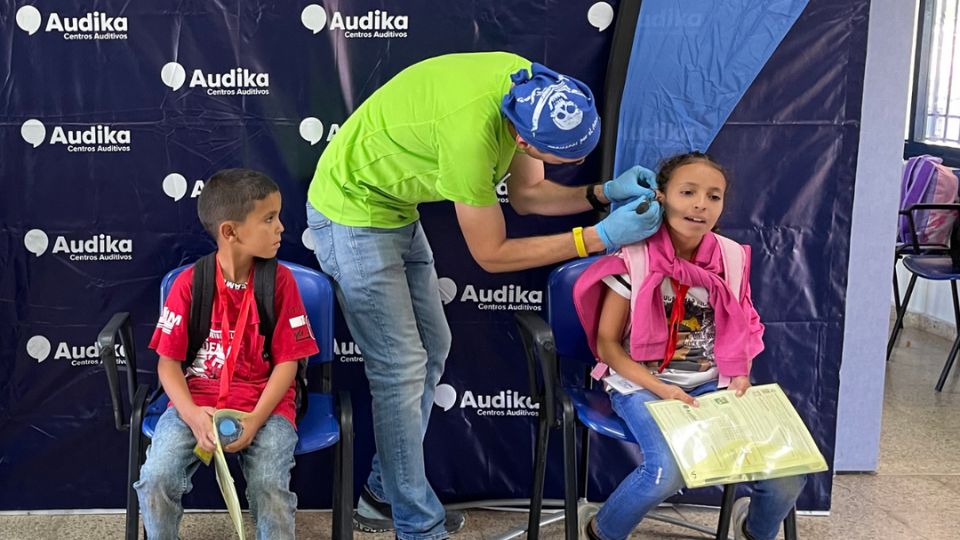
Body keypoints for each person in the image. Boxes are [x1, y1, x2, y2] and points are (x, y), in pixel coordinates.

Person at [305, 51, 663, 540]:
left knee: (433, 348)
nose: (578, 164)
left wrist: (602, 192)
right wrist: (600, 237)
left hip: (394, 209)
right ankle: (418, 527)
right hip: (351, 213)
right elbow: (492, 255)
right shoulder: (470, 140)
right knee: (400, 369)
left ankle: (384, 496)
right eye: (568, 160)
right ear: (523, 139)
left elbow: (528, 197)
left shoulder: (531, 90)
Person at [573, 151, 807, 540]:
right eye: (688, 192)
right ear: (662, 197)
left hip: (711, 384)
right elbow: (608, 345)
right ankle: (600, 531)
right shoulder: (635, 256)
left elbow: (744, 325)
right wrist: (662, 389)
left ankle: (753, 530)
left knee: (789, 472)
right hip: (642, 384)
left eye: (714, 196)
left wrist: (740, 373)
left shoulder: (731, 258)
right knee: (668, 471)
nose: (701, 204)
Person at [136, 169, 319, 540]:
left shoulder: (279, 282)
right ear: (230, 231)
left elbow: (289, 363)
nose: (281, 227)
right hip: (198, 403)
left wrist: (255, 419)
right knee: (156, 477)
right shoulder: (191, 283)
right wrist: (192, 415)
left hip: (266, 406)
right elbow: (168, 364)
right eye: (269, 219)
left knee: (269, 485)